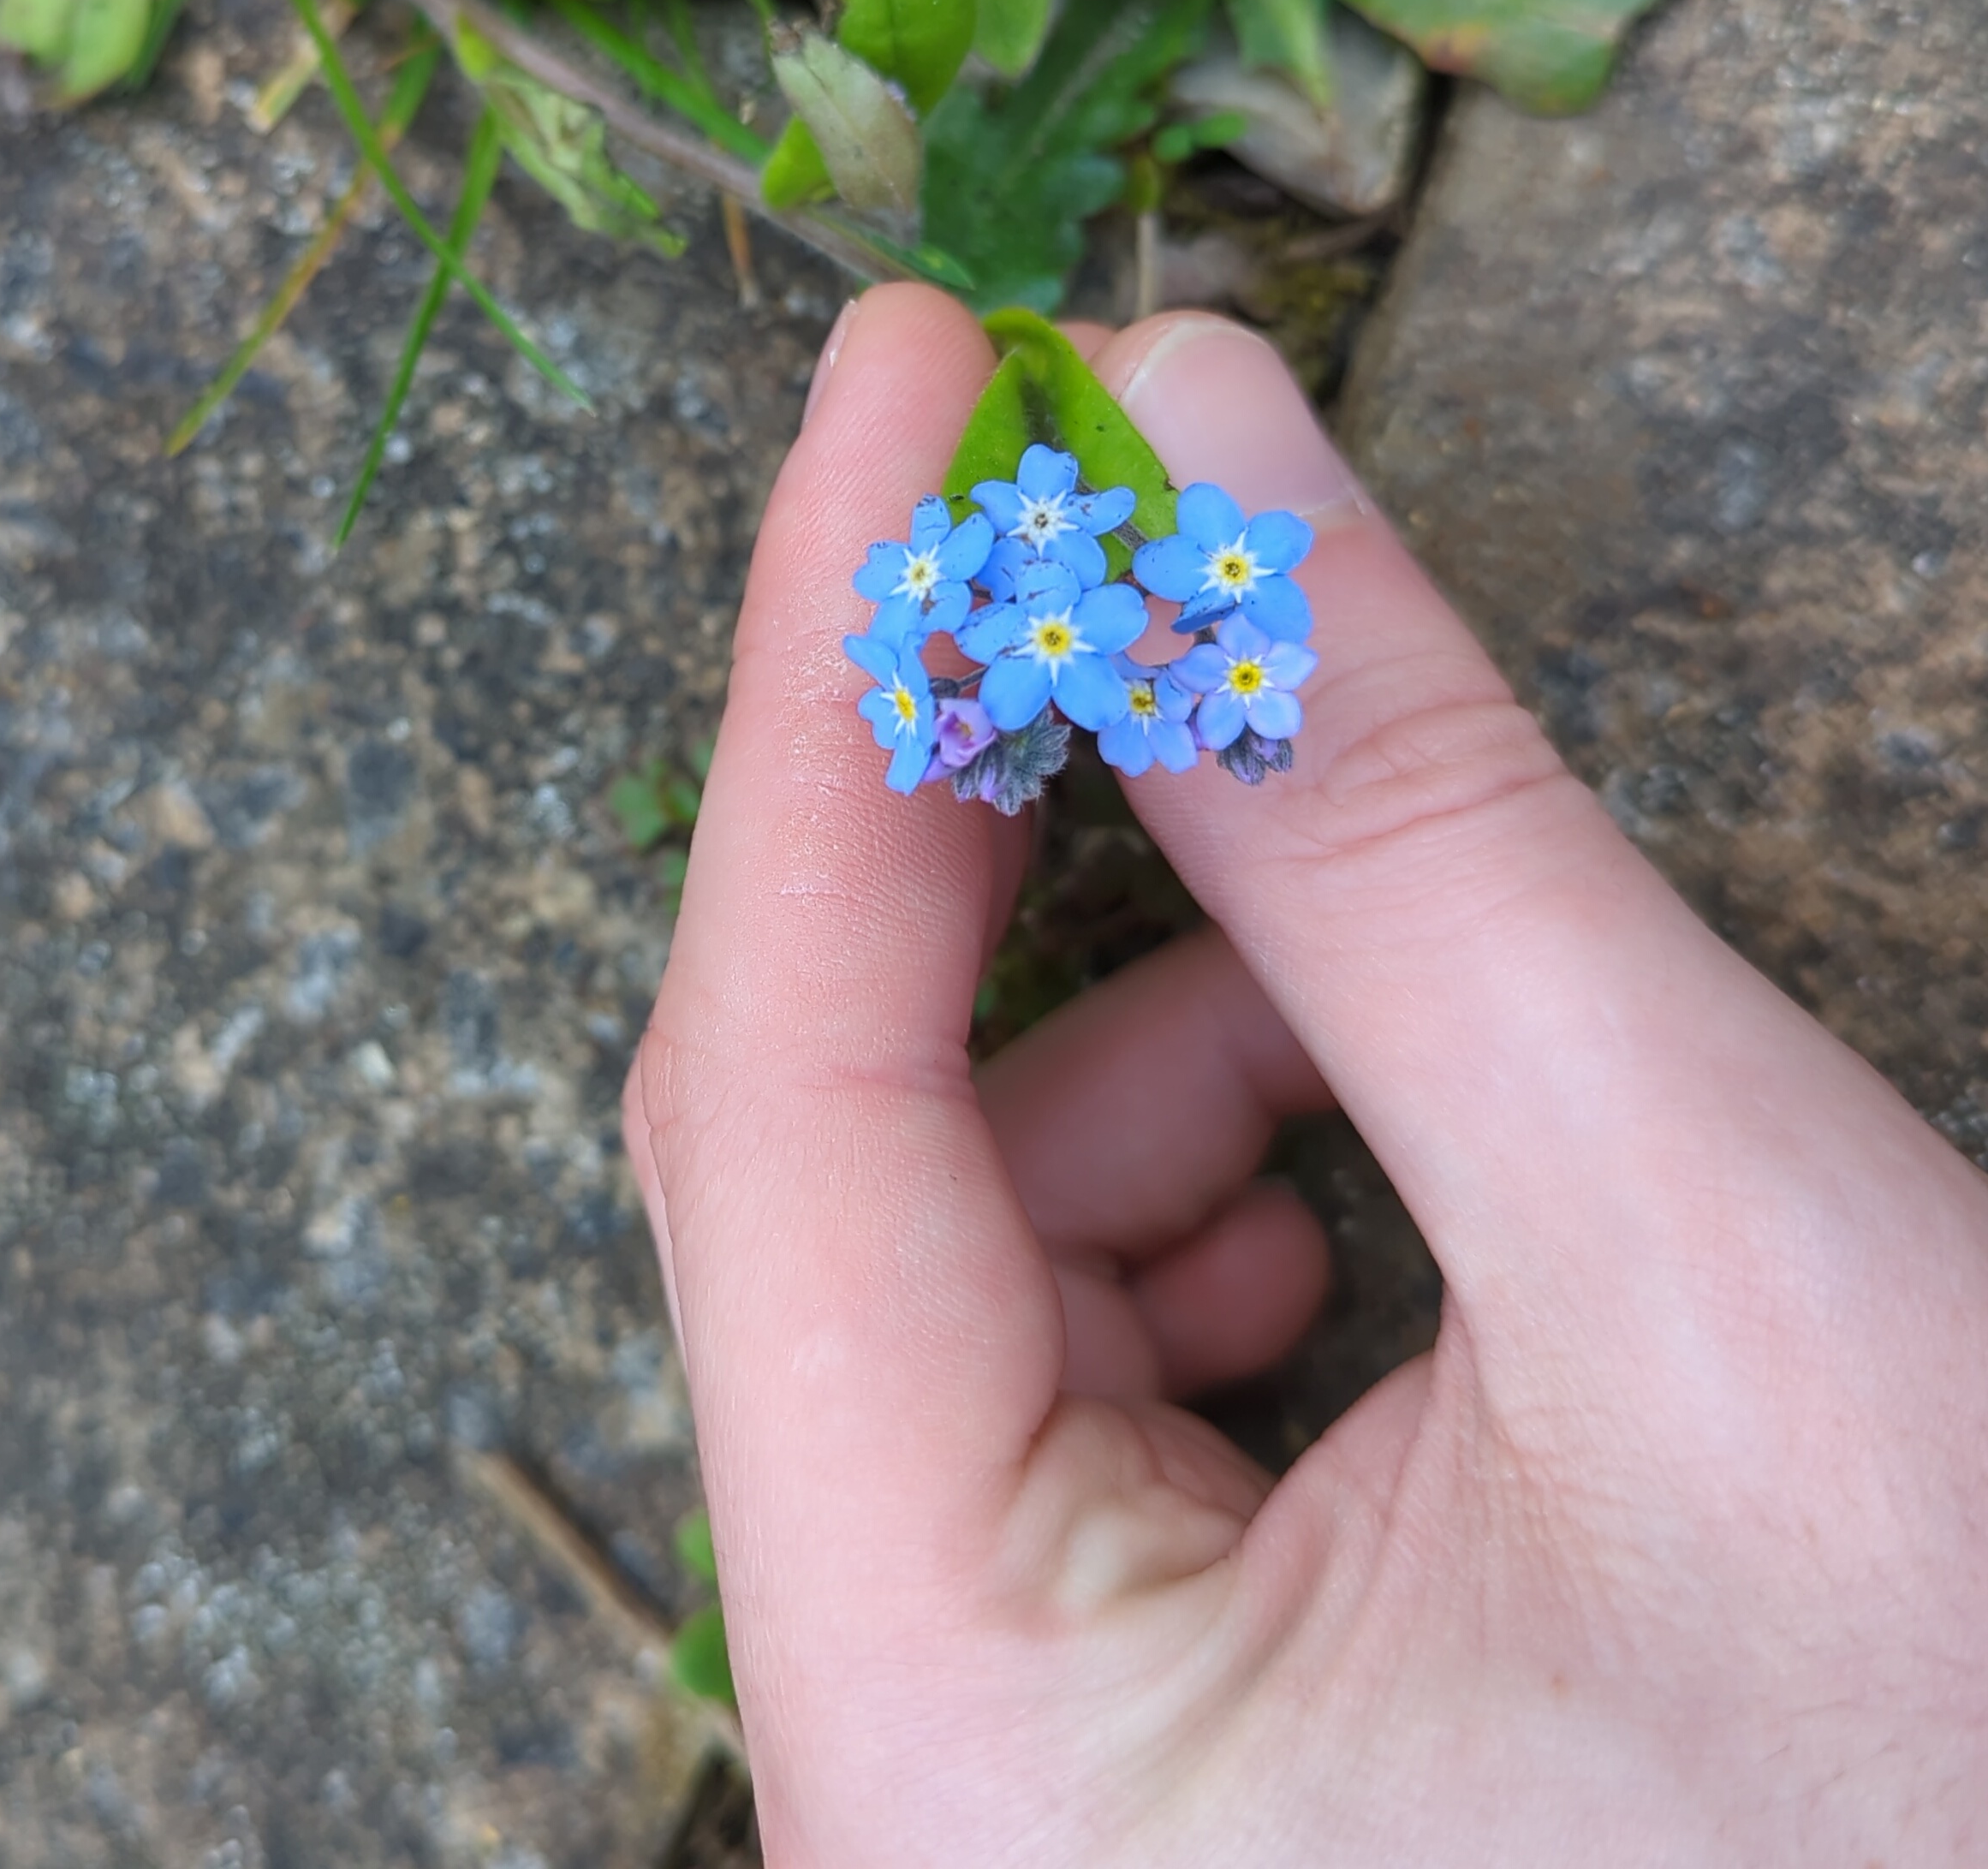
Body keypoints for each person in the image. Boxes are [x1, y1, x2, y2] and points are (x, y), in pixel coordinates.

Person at [622, 288, 1988, 1866]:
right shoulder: (1046, 625)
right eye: (1016, 618)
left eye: (1037, 619)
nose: (1034, 623)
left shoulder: (1096, 600)